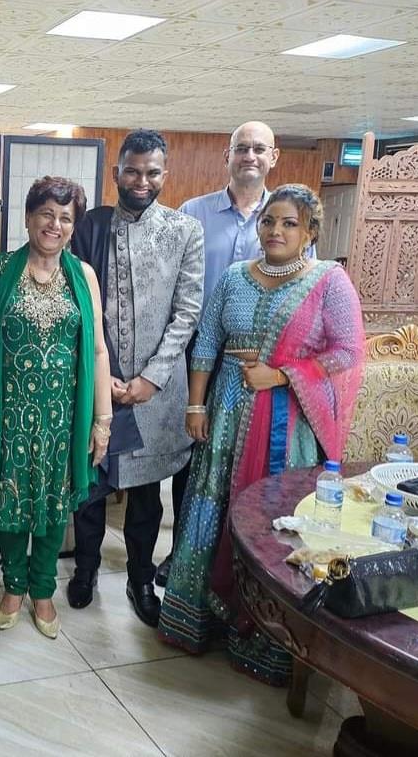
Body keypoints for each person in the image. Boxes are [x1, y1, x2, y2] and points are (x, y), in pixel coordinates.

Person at [157, 184, 365, 686]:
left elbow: (347, 353)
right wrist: (195, 404)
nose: (275, 230)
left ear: (310, 232)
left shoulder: (328, 282)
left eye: (289, 223)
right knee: (211, 509)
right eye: (269, 221)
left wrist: (282, 374)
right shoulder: (234, 277)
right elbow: (207, 341)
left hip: (286, 426)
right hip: (225, 412)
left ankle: (264, 641)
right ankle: (198, 621)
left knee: (270, 522)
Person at [0, 176, 113, 639]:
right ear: (28, 218)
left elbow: (98, 350)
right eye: (46, 213)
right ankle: (14, 585)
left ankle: (43, 589)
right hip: (7, 414)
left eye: (65, 217)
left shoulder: (83, 276)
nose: (55, 224)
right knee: (10, 498)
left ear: (74, 226)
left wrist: (102, 420)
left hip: (64, 419)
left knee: (53, 503)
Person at [66, 129, 204, 626]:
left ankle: (141, 580)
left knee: (147, 498)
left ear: (164, 175)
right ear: (116, 173)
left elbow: (187, 312)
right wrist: (99, 377)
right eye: (132, 171)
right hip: (96, 384)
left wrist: (152, 378)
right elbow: (72, 302)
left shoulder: (184, 230)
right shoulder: (90, 226)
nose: (141, 181)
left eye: (151, 173)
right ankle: (85, 570)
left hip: (155, 395)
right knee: (90, 487)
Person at [155, 121, 281, 586]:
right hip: (195, 354)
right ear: (227, 156)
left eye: (259, 149)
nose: (250, 156)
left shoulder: (285, 215)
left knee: (244, 459)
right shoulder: (194, 212)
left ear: (273, 157)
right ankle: (182, 554)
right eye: (241, 148)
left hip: (256, 363)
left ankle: (238, 562)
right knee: (192, 456)